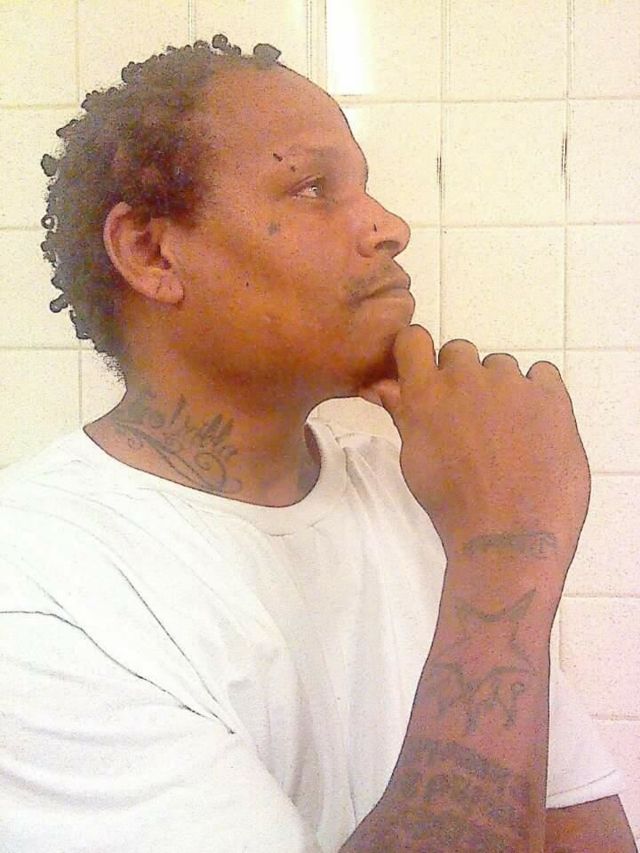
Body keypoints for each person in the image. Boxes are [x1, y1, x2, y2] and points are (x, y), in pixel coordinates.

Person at [0, 34, 635, 852]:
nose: (390, 227)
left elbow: (584, 833)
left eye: (364, 186)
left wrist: (493, 535)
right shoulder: (39, 583)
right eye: (311, 188)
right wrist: (507, 550)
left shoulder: (428, 492)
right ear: (153, 252)